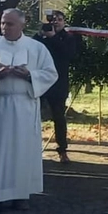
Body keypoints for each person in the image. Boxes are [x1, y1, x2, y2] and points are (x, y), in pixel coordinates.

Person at [0, 9, 58, 209]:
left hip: (25, 104)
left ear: (22, 25)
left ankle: (20, 194)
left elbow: (51, 73)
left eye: (10, 24)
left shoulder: (36, 48)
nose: (5, 27)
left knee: (23, 151)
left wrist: (30, 75)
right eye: (3, 23)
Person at [37, 9, 79, 163]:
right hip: (40, 81)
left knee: (59, 118)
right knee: (35, 116)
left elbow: (69, 55)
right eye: (52, 19)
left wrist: (53, 38)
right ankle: (34, 146)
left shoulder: (68, 38)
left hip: (58, 83)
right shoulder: (41, 36)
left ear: (64, 21)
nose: (56, 22)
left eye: (59, 19)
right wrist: (42, 34)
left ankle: (62, 150)